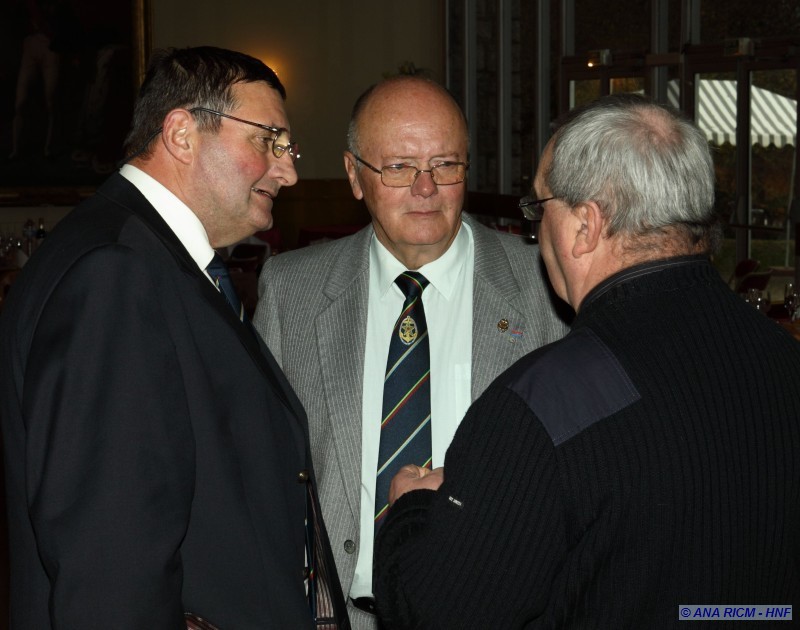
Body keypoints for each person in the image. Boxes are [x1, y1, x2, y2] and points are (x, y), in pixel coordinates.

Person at [372, 93, 800, 628]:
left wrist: (411, 511)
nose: (536, 233)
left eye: (539, 210)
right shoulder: (784, 358)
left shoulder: (543, 404)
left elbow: (433, 614)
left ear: (585, 227)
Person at [0, 46, 349, 629]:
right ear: (182, 134)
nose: (288, 171)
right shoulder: (114, 273)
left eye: (287, 149)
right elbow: (108, 568)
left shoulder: (151, 257)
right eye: (269, 140)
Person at [253, 75, 569, 628]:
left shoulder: (548, 288)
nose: (426, 187)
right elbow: (258, 466)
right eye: (399, 167)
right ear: (354, 175)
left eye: (445, 164)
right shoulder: (291, 291)